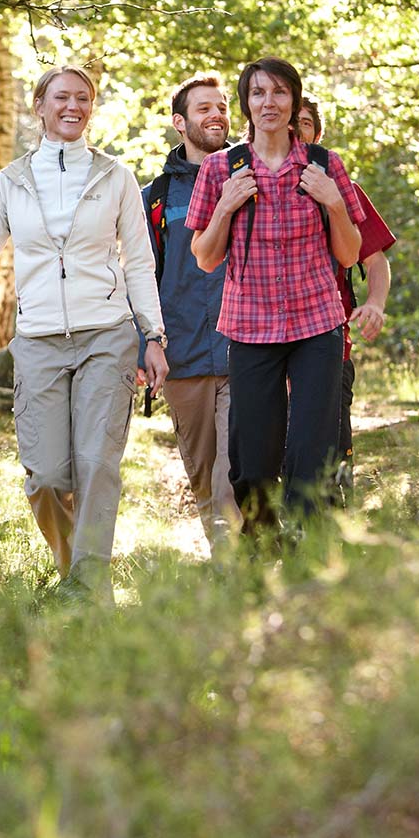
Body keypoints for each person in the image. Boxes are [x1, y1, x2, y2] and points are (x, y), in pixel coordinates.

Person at [0, 64, 169, 600]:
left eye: (83, 98)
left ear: (91, 108)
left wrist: (152, 335)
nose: (72, 107)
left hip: (107, 335)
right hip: (38, 341)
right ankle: (72, 572)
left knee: (97, 465)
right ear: (39, 106)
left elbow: (138, 263)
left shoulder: (115, 177)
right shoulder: (10, 182)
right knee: (45, 478)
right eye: (61, 97)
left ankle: (88, 589)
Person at [185, 57, 365, 534]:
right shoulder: (221, 168)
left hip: (317, 327)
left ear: (294, 100)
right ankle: (262, 550)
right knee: (253, 462)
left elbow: (349, 254)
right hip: (250, 328)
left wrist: (333, 202)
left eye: (280, 92)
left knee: (311, 454)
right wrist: (225, 207)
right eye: (259, 93)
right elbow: (205, 257)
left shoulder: (325, 165)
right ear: (246, 103)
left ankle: (308, 557)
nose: (270, 102)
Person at [141, 72, 241, 549]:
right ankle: (228, 565)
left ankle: (241, 567)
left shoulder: (252, 176)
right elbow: (141, 277)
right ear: (180, 122)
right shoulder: (155, 198)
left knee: (233, 474)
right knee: (203, 477)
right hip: (183, 357)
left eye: (221, 107)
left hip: (247, 350)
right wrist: (146, 345)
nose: (216, 115)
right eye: (204, 108)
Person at [296, 96, 397, 500]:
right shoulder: (250, 187)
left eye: (305, 123)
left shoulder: (343, 190)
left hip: (330, 344)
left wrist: (375, 304)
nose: (295, 129)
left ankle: (336, 530)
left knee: (332, 458)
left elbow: (375, 261)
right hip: (265, 344)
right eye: (290, 121)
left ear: (318, 134)